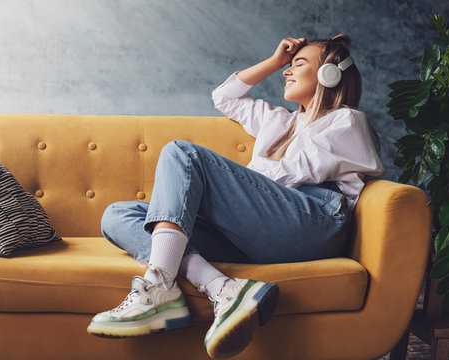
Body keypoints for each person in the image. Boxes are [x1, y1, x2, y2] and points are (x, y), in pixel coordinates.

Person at [87, 35, 385, 359]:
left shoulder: (347, 121)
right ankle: (223, 288)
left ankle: (158, 286)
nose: (287, 72)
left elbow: (292, 176)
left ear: (331, 74)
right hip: (258, 231)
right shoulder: (279, 121)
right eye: (289, 65)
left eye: (299, 64)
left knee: (182, 154)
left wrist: (211, 192)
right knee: (119, 214)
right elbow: (224, 97)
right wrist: (275, 61)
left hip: (312, 222)